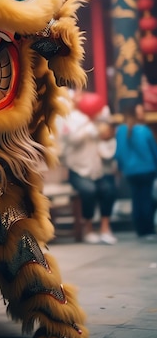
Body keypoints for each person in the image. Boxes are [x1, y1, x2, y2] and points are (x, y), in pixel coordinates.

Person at [57, 91, 118, 244]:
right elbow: (71, 139)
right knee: (88, 191)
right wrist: (89, 125)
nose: (78, 97)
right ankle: (88, 228)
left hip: (97, 169)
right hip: (78, 169)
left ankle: (105, 227)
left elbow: (108, 139)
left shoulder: (101, 115)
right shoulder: (69, 118)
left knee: (109, 189)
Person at [114, 104, 157, 239]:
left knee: (136, 199)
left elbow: (119, 152)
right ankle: (148, 230)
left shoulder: (120, 130)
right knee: (146, 199)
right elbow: (154, 151)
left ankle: (139, 229)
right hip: (147, 169)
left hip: (130, 171)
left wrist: (121, 168)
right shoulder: (145, 130)